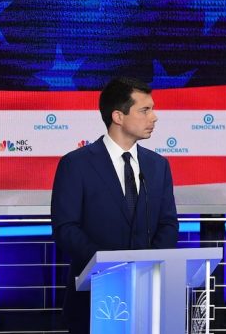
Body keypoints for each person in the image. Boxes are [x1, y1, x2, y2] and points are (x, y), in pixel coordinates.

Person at [50, 77, 179, 334]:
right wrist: (111, 265)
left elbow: (168, 223)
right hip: (94, 299)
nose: (154, 117)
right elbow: (66, 228)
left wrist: (146, 266)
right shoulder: (76, 164)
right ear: (118, 116)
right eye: (145, 110)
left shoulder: (158, 165)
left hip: (147, 299)